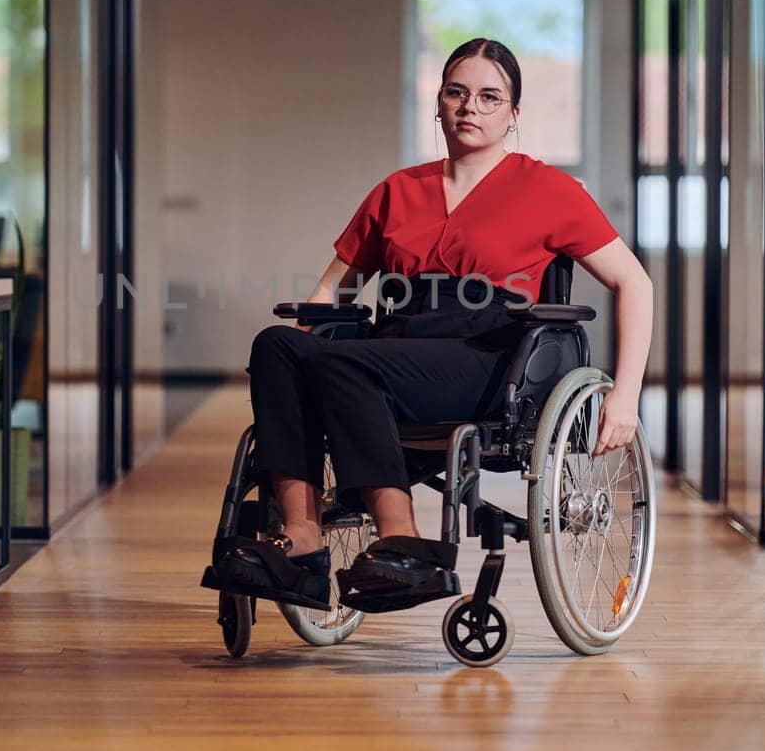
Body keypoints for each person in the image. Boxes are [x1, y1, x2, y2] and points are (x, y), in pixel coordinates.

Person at [213, 37, 654, 612]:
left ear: (513, 115)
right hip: (398, 343)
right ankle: (301, 537)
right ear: (439, 103)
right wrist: (297, 350)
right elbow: (330, 291)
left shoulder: (550, 191)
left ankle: (405, 539)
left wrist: (626, 395)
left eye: (489, 97)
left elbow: (634, 282)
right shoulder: (397, 191)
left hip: (488, 353)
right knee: (275, 345)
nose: (470, 107)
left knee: (345, 363)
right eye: (457, 92)